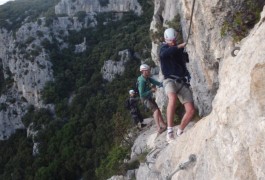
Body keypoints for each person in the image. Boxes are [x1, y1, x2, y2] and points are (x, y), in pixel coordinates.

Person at [160, 28, 195, 143]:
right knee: (173, 98)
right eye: (170, 41)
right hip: (169, 81)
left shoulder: (178, 50)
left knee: (190, 110)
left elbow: (184, 64)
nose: (172, 42)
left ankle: (180, 131)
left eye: (174, 41)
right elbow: (166, 54)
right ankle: (169, 132)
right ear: (166, 40)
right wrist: (179, 47)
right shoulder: (163, 49)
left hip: (181, 81)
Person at [137, 64, 167, 134]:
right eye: (148, 70)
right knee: (155, 110)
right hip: (145, 99)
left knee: (158, 110)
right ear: (143, 71)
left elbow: (155, 82)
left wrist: (162, 84)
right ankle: (159, 128)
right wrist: (151, 91)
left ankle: (163, 125)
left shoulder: (147, 78)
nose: (149, 71)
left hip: (149, 97)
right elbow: (141, 94)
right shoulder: (142, 81)